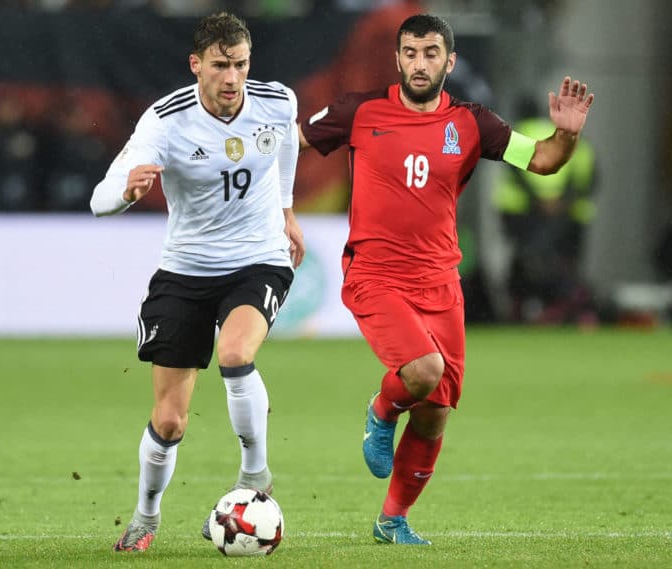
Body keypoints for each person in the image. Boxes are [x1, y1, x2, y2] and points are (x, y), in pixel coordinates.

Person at [298, 13, 593, 545]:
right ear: (397, 57)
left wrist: (566, 135)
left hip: (440, 284)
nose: (419, 63)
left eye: (430, 53)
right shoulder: (359, 111)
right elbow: (286, 146)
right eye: (410, 53)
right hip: (375, 275)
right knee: (423, 371)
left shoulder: (472, 123)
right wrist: (277, 207)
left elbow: (545, 160)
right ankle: (380, 410)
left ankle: (393, 521)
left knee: (434, 414)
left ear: (449, 61)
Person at [90, 11, 305, 553]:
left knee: (235, 353)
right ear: (197, 65)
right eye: (220, 65)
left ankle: (255, 476)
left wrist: (286, 209)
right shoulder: (165, 121)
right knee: (170, 420)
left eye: (240, 64)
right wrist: (125, 195)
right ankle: (145, 518)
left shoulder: (277, 101)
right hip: (185, 270)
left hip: (259, 259)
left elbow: (285, 145)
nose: (232, 77)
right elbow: (99, 198)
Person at [492, 95, 597, 324]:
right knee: (563, 262)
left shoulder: (519, 132)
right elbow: (585, 179)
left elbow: (517, 169)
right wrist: (562, 202)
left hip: (521, 210)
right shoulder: (573, 141)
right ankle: (570, 308)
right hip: (569, 213)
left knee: (528, 260)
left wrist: (538, 201)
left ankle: (527, 306)